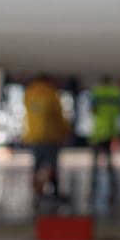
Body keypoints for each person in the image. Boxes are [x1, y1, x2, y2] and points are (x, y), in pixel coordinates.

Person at [22, 76, 70, 206]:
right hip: (50, 136)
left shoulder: (29, 93)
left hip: (34, 136)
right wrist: (65, 131)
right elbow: (59, 117)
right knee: (52, 165)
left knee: (37, 165)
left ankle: (37, 193)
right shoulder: (51, 94)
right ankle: (54, 192)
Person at [87, 78, 120, 198]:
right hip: (111, 132)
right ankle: (113, 188)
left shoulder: (96, 92)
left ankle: (93, 187)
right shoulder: (116, 92)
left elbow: (92, 110)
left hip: (98, 132)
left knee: (95, 164)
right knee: (109, 163)